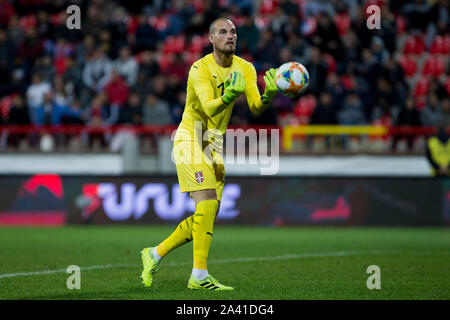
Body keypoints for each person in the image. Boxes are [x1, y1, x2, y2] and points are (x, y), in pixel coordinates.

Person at [140, 18, 279, 291]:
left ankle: (153, 253)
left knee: (207, 214)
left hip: (213, 143)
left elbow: (255, 107)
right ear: (211, 38)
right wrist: (229, 96)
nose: (230, 36)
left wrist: (269, 95)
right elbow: (210, 107)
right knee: (207, 203)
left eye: (234, 32)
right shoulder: (199, 69)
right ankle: (199, 276)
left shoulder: (246, 68)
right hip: (191, 136)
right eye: (223, 32)